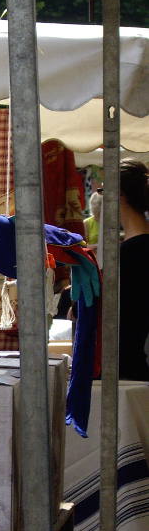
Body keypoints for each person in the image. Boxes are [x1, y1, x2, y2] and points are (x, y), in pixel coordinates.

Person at [118, 158, 149, 381]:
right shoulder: (133, 249)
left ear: (119, 195)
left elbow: (123, 313)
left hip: (128, 370)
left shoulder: (131, 253)